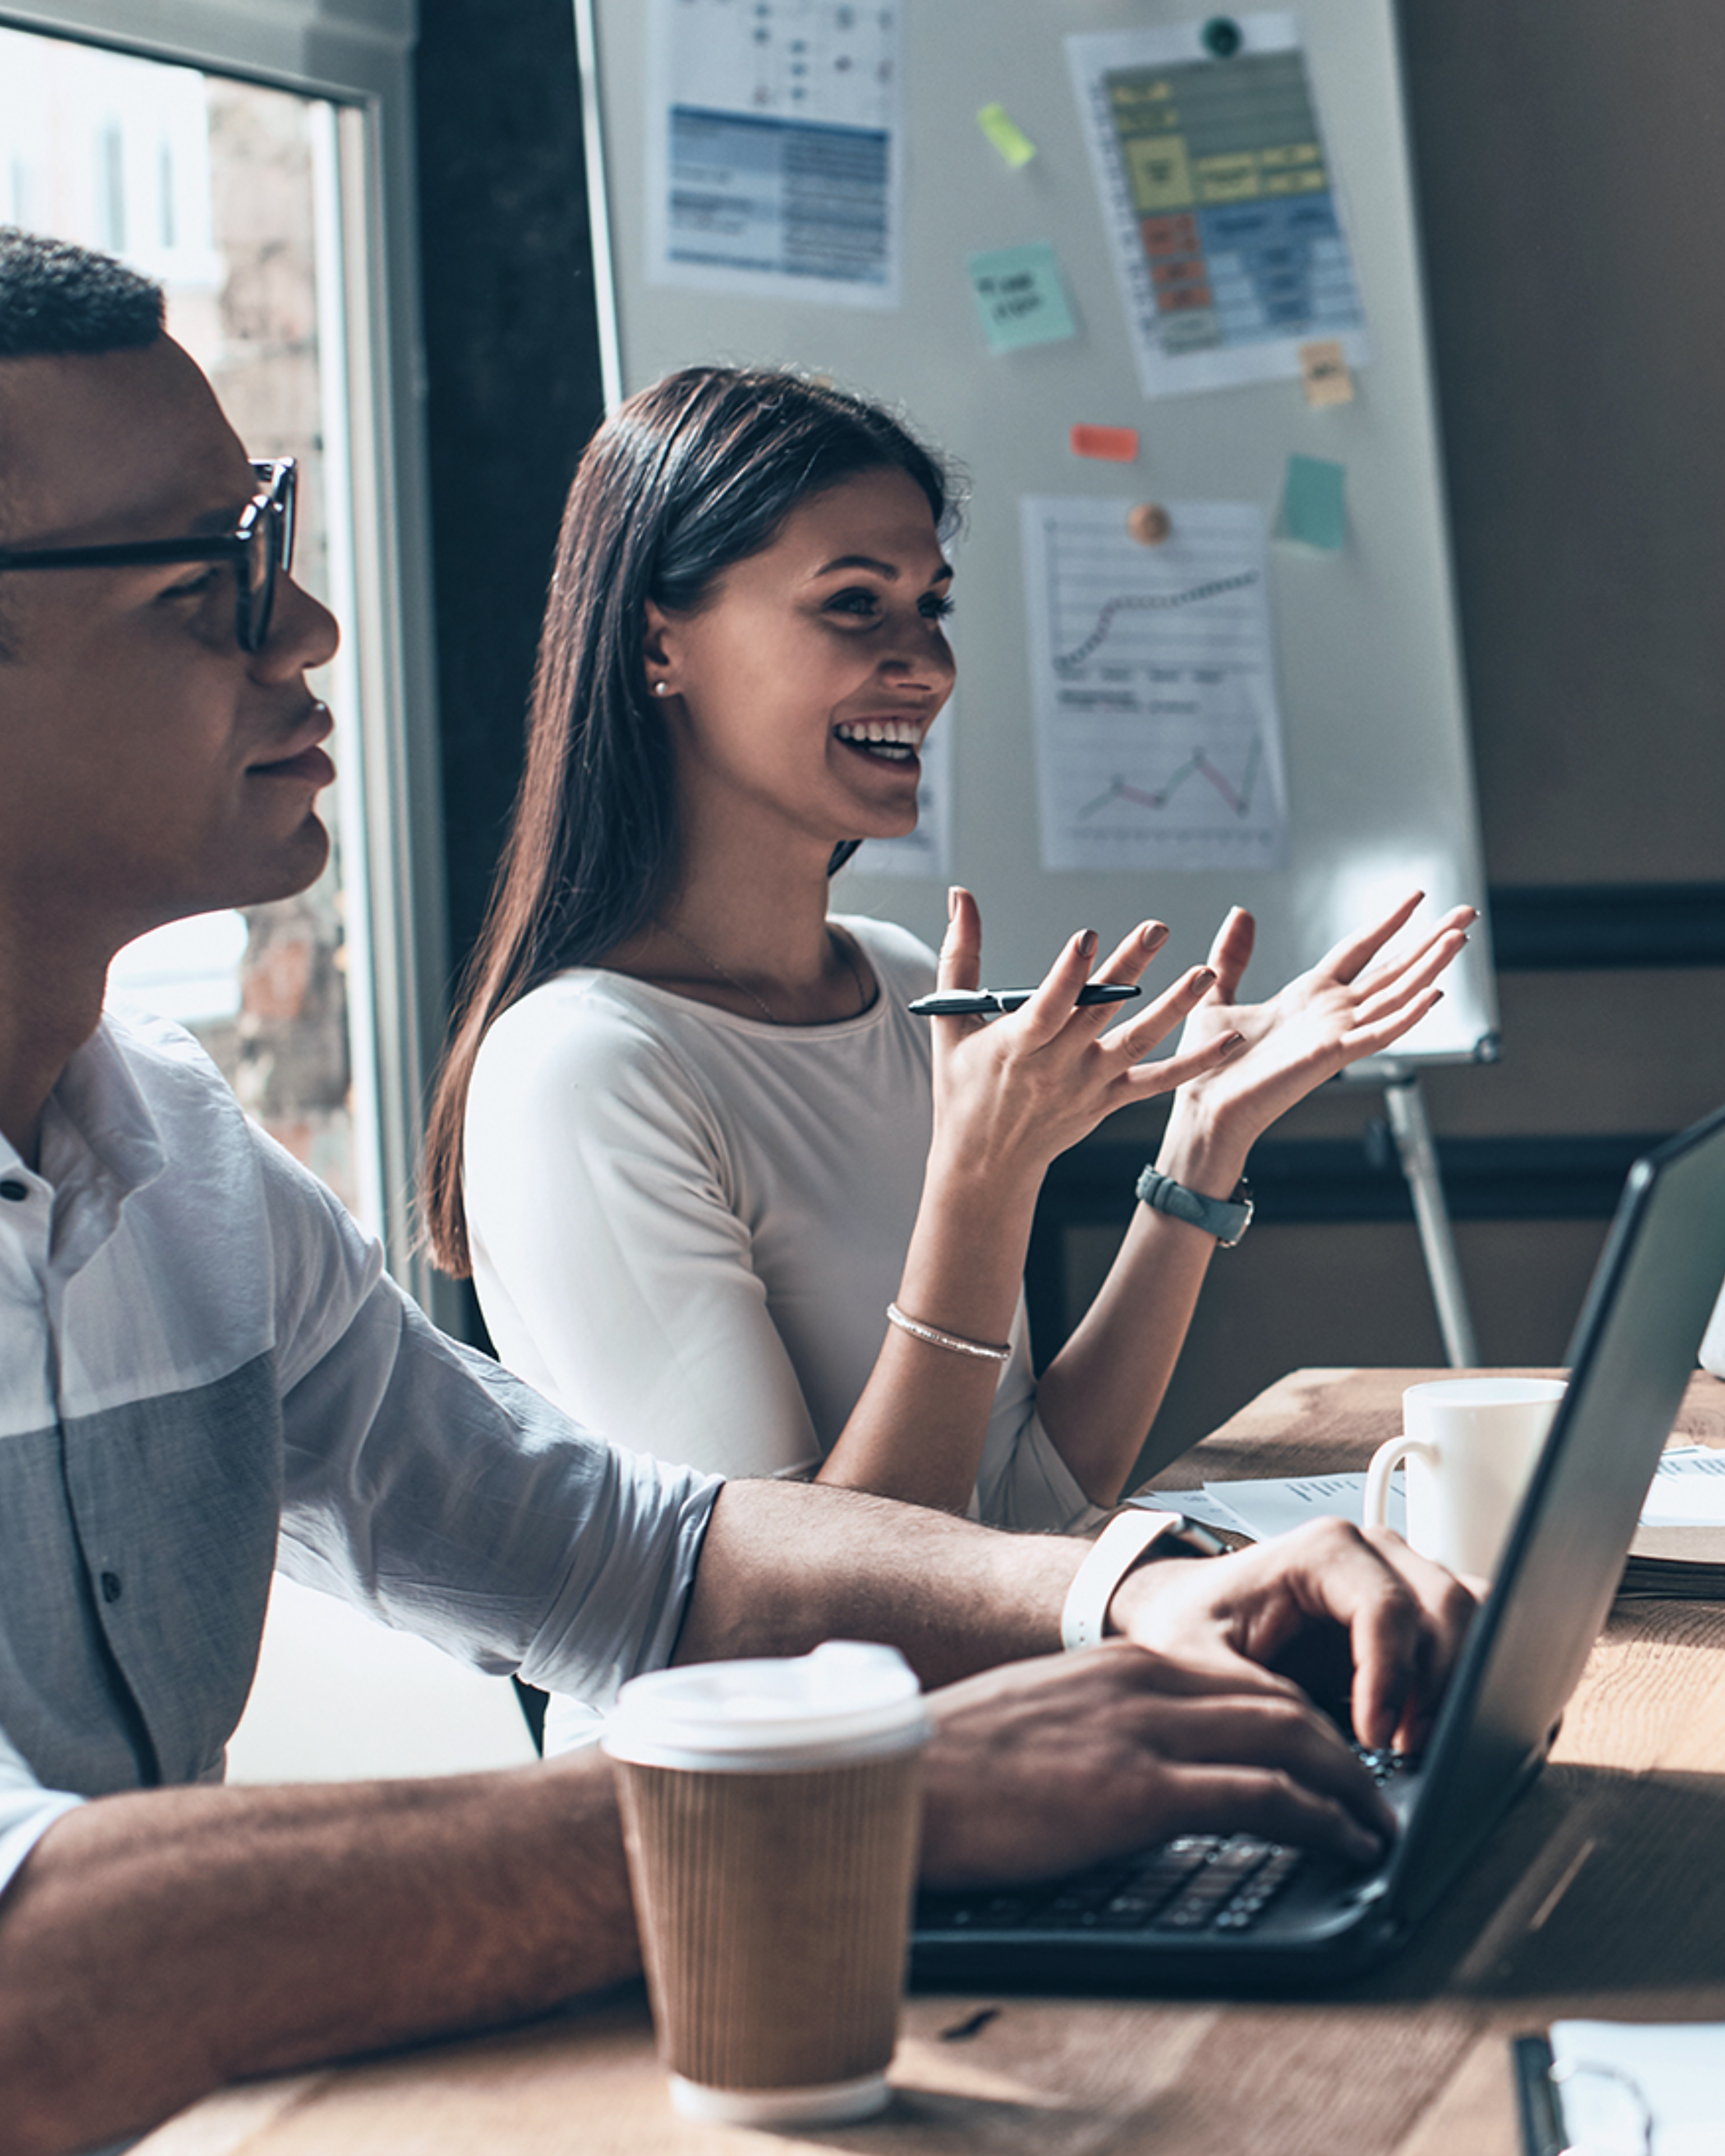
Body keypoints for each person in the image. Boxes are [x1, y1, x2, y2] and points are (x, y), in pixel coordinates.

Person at [0, 230, 1476, 2156]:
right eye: (217, 575)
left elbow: (646, 1559)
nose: (307, 633)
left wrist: (1139, 1593)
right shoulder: (582, 1059)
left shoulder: (183, 1163)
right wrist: (878, 1791)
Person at [423, 365, 1473, 1530]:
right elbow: (801, 1615)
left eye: (933, 605)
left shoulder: (913, 989)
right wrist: (981, 1183)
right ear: (659, 643)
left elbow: (1023, 1499)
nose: (926, 663)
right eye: (855, 604)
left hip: (1005, 1699)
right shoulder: (582, 1072)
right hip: (812, 1716)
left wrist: (1205, 1141)